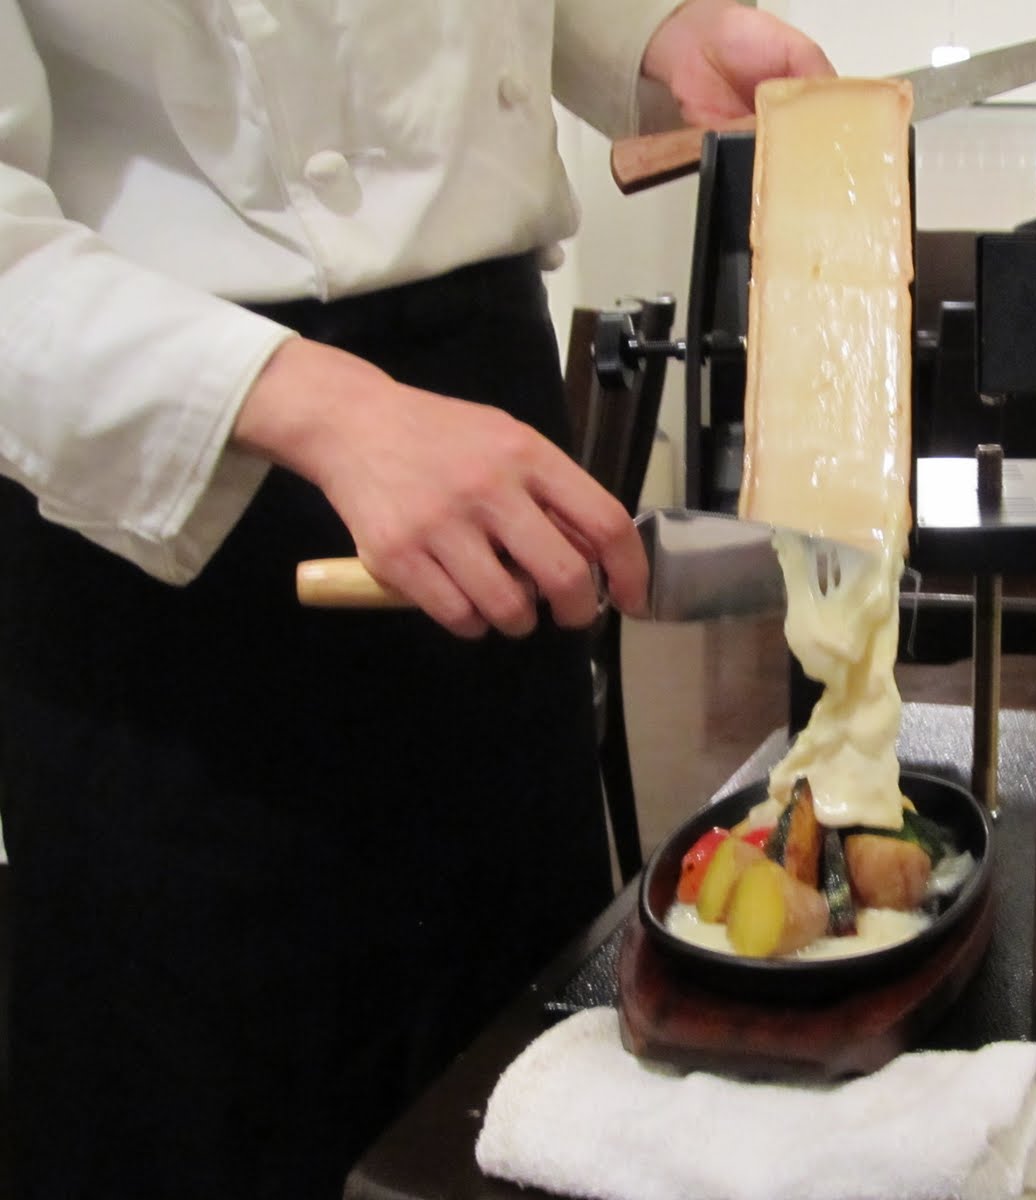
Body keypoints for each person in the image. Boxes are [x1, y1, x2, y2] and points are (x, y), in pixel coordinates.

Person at [0, 3, 832, 1197]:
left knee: (516, 1085)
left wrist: (653, 32)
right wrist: (323, 408)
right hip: (169, 452)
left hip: (488, 406)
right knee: (201, 1107)